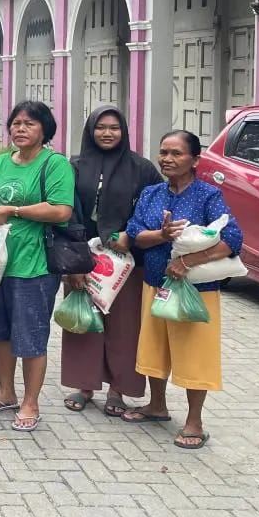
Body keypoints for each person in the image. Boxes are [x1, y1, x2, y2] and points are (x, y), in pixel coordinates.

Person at [121, 130, 242, 449]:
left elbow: (232, 239)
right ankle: (157, 405)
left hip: (196, 290)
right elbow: (134, 233)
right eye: (164, 152)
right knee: (155, 347)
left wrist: (188, 261)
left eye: (176, 153)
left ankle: (194, 421)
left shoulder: (208, 196)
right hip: (155, 284)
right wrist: (161, 236)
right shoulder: (151, 193)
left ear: (195, 160)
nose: (167, 159)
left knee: (194, 354)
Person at [0, 100, 74, 433]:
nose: (20, 129)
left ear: (45, 129)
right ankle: (6, 393)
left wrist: (15, 211)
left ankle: (30, 402)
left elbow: (62, 210)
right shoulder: (0, 163)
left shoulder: (54, 164)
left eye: (29, 124)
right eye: (16, 123)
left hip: (34, 266)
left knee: (31, 336)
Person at [61, 105, 161, 417]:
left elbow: (153, 207)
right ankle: (85, 385)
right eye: (101, 127)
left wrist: (131, 234)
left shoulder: (141, 168)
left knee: (124, 326)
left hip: (127, 260)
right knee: (84, 320)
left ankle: (119, 388)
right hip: (84, 255)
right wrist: (74, 261)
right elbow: (66, 212)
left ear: (124, 131)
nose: (107, 133)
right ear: (90, 130)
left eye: (114, 128)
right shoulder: (74, 166)